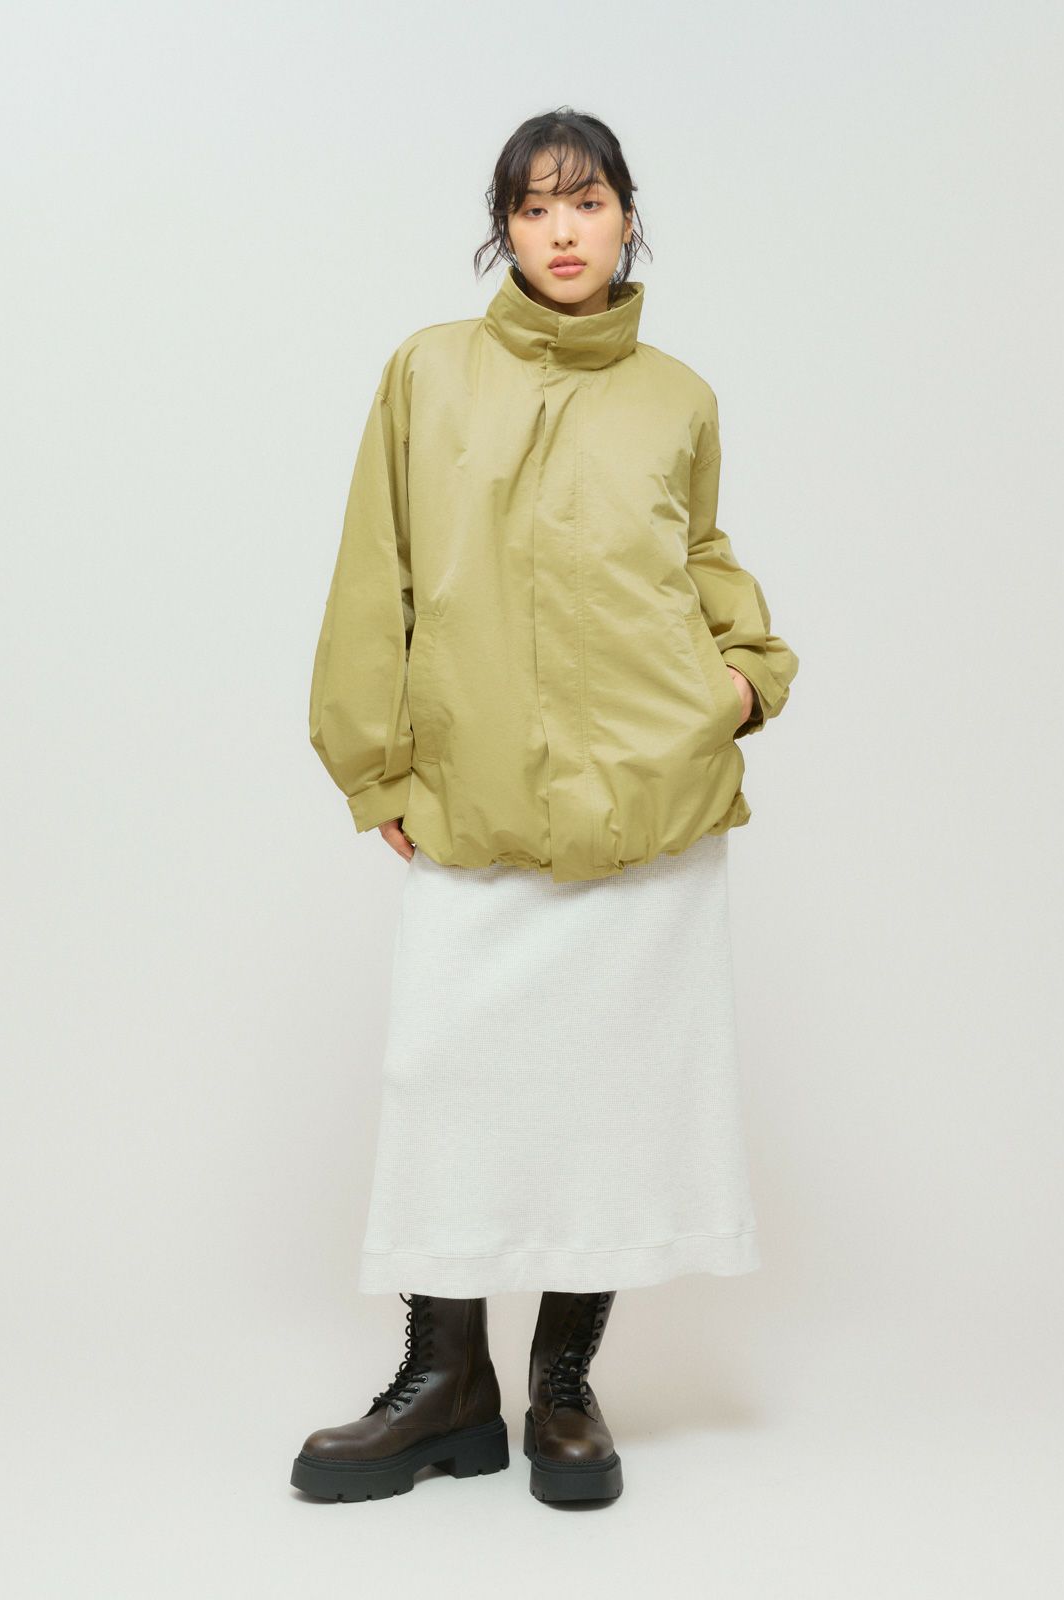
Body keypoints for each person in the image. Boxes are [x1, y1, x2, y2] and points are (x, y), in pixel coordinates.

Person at [290, 107, 799, 1507]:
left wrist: (744, 678)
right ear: (502, 230)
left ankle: (564, 1389)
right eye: (532, 207)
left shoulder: (678, 396)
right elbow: (374, 568)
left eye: (586, 202)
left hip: (650, 797)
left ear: (630, 217)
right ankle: (442, 1386)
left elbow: (698, 553)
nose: (562, 231)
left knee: (610, 1099)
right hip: (480, 792)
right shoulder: (427, 372)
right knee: (445, 1082)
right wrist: (374, 762)